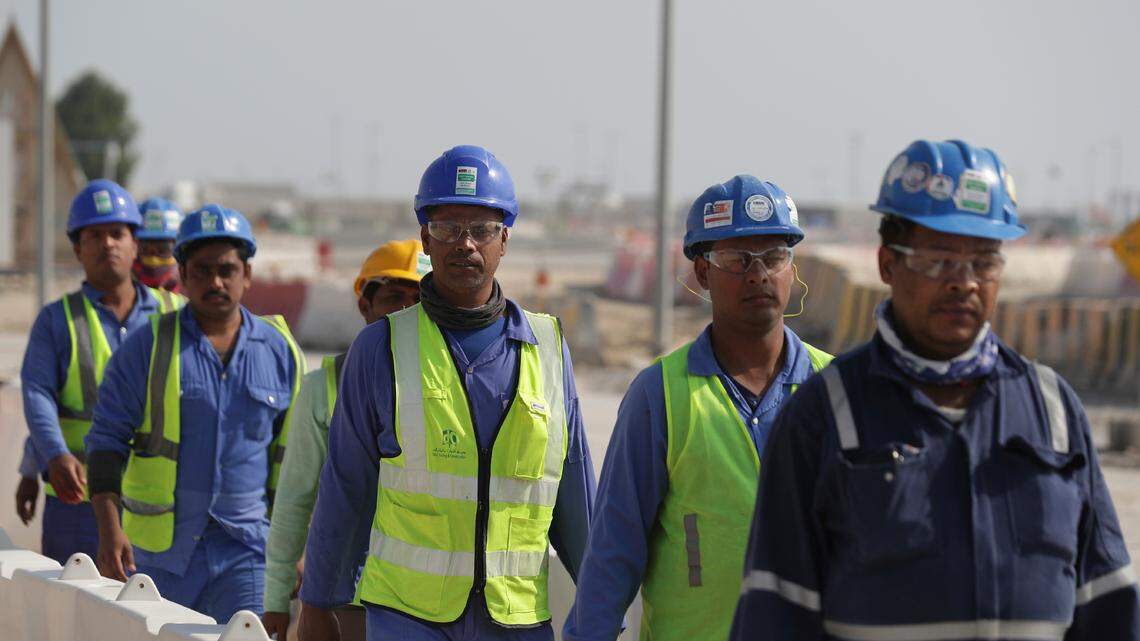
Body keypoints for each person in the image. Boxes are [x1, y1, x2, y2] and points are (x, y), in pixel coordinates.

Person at [731, 139, 1140, 640]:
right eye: (939, 259)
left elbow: (1109, 608)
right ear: (887, 264)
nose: (962, 282)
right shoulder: (823, 418)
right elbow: (776, 616)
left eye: (983, 261)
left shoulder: (1054, 412)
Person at [296, 145, 596, 641]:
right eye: (447, 228)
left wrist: (601, 607)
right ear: (424, 239)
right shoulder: (380, 348)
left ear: (505, 240)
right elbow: (345, 487)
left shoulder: (549, 348)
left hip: (516, 621)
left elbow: (576, 491)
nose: (466, 244)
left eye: (481, 229)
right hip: (407, 618)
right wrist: (317, 604)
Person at [563, 176, 832, 641]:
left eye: (773, 257)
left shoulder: (833, 392)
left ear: (792, 267)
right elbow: (614, 550)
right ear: (703, 273)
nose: (758, 274)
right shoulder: (660, 396)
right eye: (736, 260)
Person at [84, 204, 303, 623]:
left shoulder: (280, 352)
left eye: (226, 270)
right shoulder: (146, 348)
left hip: (248, 553)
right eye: (201, 271)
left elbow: (297, 463)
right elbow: (106, 442)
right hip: (162, 557)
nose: (215, 282)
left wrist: (297, 548)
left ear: (247, 274)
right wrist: (109, 529)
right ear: (182, 276)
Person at [262, 239, 428, 641]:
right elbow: (294, 499)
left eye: (419, 299)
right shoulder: (324, 389)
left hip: (427, 603)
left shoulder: (452, 387)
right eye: (393, 298)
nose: (407, 310)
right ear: (365, 306)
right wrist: (275, 600)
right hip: (347, 598)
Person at [19, 179, 182, 563]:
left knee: (157, 618)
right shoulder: (56, 320)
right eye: (94, 235)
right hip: (75, 500)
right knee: (73, 615)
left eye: (117, 233)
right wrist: (50, 456)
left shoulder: (175, 315)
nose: (108, 243)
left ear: (134, 243)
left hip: (156, 505)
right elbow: (38, 394)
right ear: (78, 248)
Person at [133, 197, 183, 293]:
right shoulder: (116, 295)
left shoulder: (195, 295)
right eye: (145, 249)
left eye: (163, 249)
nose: (153, 260)